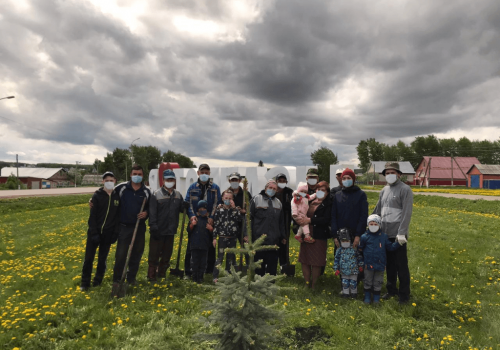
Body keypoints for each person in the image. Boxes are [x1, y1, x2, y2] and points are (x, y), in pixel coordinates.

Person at [373, 162, 413, 304]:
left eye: (392, 172)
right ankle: (391, 290)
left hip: (398, 236)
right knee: (389, 265)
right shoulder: (384, 190)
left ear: (399, 174)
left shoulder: (405, 189)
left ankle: (404, 295)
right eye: (387, 173)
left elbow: (406, 213)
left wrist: (402, 233)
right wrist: (372, 224)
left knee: (401, 265)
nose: (389, 175)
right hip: (385, 234)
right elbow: (378, 210)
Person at [112, 165, 151, 289]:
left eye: (139, 174)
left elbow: (151, 208)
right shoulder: (121, 188)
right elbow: (106, 194)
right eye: (135, 174)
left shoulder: (147, 191)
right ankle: (117, 279)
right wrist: (93, 199)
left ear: (143, 176)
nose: (137, 176)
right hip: (124, 227)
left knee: (136, 254)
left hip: (139, 227)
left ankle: (131, 278)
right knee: (121, 254)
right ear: (130, 174)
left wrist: (146, 213)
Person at [81, 171, 120, 291]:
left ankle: (98, 280)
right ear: (102, 182)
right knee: (89, 258)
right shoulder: (97, 196)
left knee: (102, 259)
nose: (109, 182)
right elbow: (92, 216)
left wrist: (115, 233)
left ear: (115, 181)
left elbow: (118, 216)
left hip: (108, 234)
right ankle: (85, 283)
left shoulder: (117, 196)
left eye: (111, 180)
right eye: (106, 180)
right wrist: (93, 232)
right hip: (95, 233)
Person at [184, 164, 222, 278]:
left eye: (206, 172)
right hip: (195, 220)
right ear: (198, 173)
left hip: (209, 220)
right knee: (192, 246)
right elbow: (188, 202)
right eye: (202, 172)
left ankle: (209, 270)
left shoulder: (215, 187)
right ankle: (189, 271)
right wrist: (191, 216)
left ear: (209, 173)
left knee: (210, 245)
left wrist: (212, 217)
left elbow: (217, 202)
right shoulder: (192, 187)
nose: (204, 174)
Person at [147, 169, 185, 282]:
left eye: (172, 179)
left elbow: (181, 209)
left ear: (175, 180)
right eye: (168, 179)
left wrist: (185, 206)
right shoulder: (156, 194)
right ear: (163, 180)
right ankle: (151, 275)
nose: (170, 181)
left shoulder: (178, 195)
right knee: (154, 254)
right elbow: (152, 212)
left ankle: (162, 273)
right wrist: (153, 226)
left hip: (170, 230)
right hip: (158, 230)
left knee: (167, 254)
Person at [295, 181, 332, 289]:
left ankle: (314, 284)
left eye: (323, 190)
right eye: (318, 189)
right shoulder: (310, 200)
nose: (320, 192)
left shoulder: (329, 203)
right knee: (305, 260)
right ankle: (307, 283)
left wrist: (310, 220)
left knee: (317, 261)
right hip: (306, 233)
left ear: (327, 192)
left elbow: (326, 219)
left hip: (319, 234)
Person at [358, 214, 402, 305]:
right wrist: (361, 262)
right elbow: (360, 250)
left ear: (379, 225)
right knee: (367, 281)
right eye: (371, 224)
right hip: (368, 265)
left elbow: (390, 247)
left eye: (375, 224)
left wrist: (398, 243)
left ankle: (376, 299)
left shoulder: (384, 237)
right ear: (368, 225)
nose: (373, 226)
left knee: (378, 282)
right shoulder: (364, 237)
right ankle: (367, 297)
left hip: (380, 265)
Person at [250, 179, 287, 276]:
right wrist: (247, 235)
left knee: (272, 268)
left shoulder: (278, 202)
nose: (272, 190)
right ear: (266, 188)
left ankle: (270, 288)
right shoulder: (256, 199)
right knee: (259, 268)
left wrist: (283, 236)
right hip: (259, 240)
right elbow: (249, 219)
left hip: (274, 241)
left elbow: (281, 222)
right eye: (270, 188)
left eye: (274, 188)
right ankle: (258, 287)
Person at [212, 190, 245, 283]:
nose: (228, 200)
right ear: (222, 198)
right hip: (222, 237)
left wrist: (234, 208)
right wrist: (214, 237)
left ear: (233, 199)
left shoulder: (235, 210)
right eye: (226, 198)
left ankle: (228, 276)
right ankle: (215, 277)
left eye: (230, 198)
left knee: (230, 258)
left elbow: (239, 220)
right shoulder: (219, 210)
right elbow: (216, 224)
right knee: (220, 258)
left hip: (232, 238)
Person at [331, 168, 368, 249]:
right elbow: (333, 216)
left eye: (349, 178)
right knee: (340, 259)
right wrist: (335, 235)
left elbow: (363, 216)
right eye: (344, 178)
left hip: (355, 235)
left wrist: (358, 235)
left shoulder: (361, 195)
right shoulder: (337, 195)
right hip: (340, 235)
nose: (346, 180)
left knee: (355, 259)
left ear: (353, 179)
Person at [226, 172, 251, 267]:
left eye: (236, 180)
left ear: (240, 181)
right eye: (232, 180)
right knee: (231, 247)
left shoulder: (246, 194)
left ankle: (248, 267)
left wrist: (245, 210)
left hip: (242, 225)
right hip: (230, 225)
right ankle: (232, 267)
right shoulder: (226, 194)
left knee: (245, 246)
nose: (234, 182)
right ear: (229, 181)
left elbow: (251, 209)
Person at [333, 228, 364, 298]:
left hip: (354, 270)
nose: (345, 242)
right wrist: (336, 268)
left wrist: (361, 266)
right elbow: (336, 259)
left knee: (353, 283)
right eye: (343, 241)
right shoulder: (339, 250)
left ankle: (354, 294)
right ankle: (345, 294)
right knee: (345, 282)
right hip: (343, 270)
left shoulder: (354, 249)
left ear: (350, 240)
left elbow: (359, 258)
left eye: (347, 240)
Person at [187, 200, 212, 283]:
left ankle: (201, 277)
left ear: (207, 211)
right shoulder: (194, 219)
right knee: (194, 262)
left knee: (203, 263)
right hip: (194, 245)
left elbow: (213, 233)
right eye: (200, 209)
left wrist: (211, 229)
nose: (202, 211)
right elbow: (188, 230)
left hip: (204, 246)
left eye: (204, 209)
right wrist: (192, 224)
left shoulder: (208, 221)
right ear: (197, 211)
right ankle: (194, 277)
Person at [274, 173, 294, 272]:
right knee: (273, 242)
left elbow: (292, 205)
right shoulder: (272, 191)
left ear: (286, 182)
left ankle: (284, 265)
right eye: (279, 181)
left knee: (284, 243)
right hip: (273, 222)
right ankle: (272, 264)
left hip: (285, 221)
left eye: (283, 181)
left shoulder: (289, 192)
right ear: (276, 181)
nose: (281, 183)